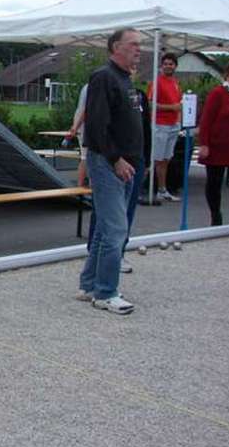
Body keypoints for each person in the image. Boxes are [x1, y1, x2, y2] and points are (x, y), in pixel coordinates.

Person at [77, 28, 143, 315]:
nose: (139, 49)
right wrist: (115, 160)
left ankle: (90, 284)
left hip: (126, 164)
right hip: (107, 164)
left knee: (107, 228)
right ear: (116, 47)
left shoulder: (125, 79)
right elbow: (96, 126)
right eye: (133, 44)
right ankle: (105, 293)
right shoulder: (103, 77)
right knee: (116, 229)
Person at [197, 61, 229, 226]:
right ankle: (215, 216)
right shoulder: (218, 93)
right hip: (216, 146)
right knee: (214, 183)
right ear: (228, 75)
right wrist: (204, 144)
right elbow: (206, 120)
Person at [146, 53, 182, 201]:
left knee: (166, 158)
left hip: (173, 124)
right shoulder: (156, 82)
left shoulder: (175, 82)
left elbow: (179, 104)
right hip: (160, 124)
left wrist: (178, 117)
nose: (168, 66)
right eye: (166, 64)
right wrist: (171, 107)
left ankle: (162, 188)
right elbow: (150, 104)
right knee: (157, 159)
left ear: (175, 66)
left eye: (171, 64)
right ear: (161, 66)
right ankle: (151, 187)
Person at [67, 83, 89, 186]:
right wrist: (75, 127)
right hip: (85, 124)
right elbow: (85, 110)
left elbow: (81, 109)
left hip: (81, 122)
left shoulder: (86, 86)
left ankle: (81, 185)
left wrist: (75, 126)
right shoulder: (93, 87)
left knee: (85, 157)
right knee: (86, 157)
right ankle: (81, 185)